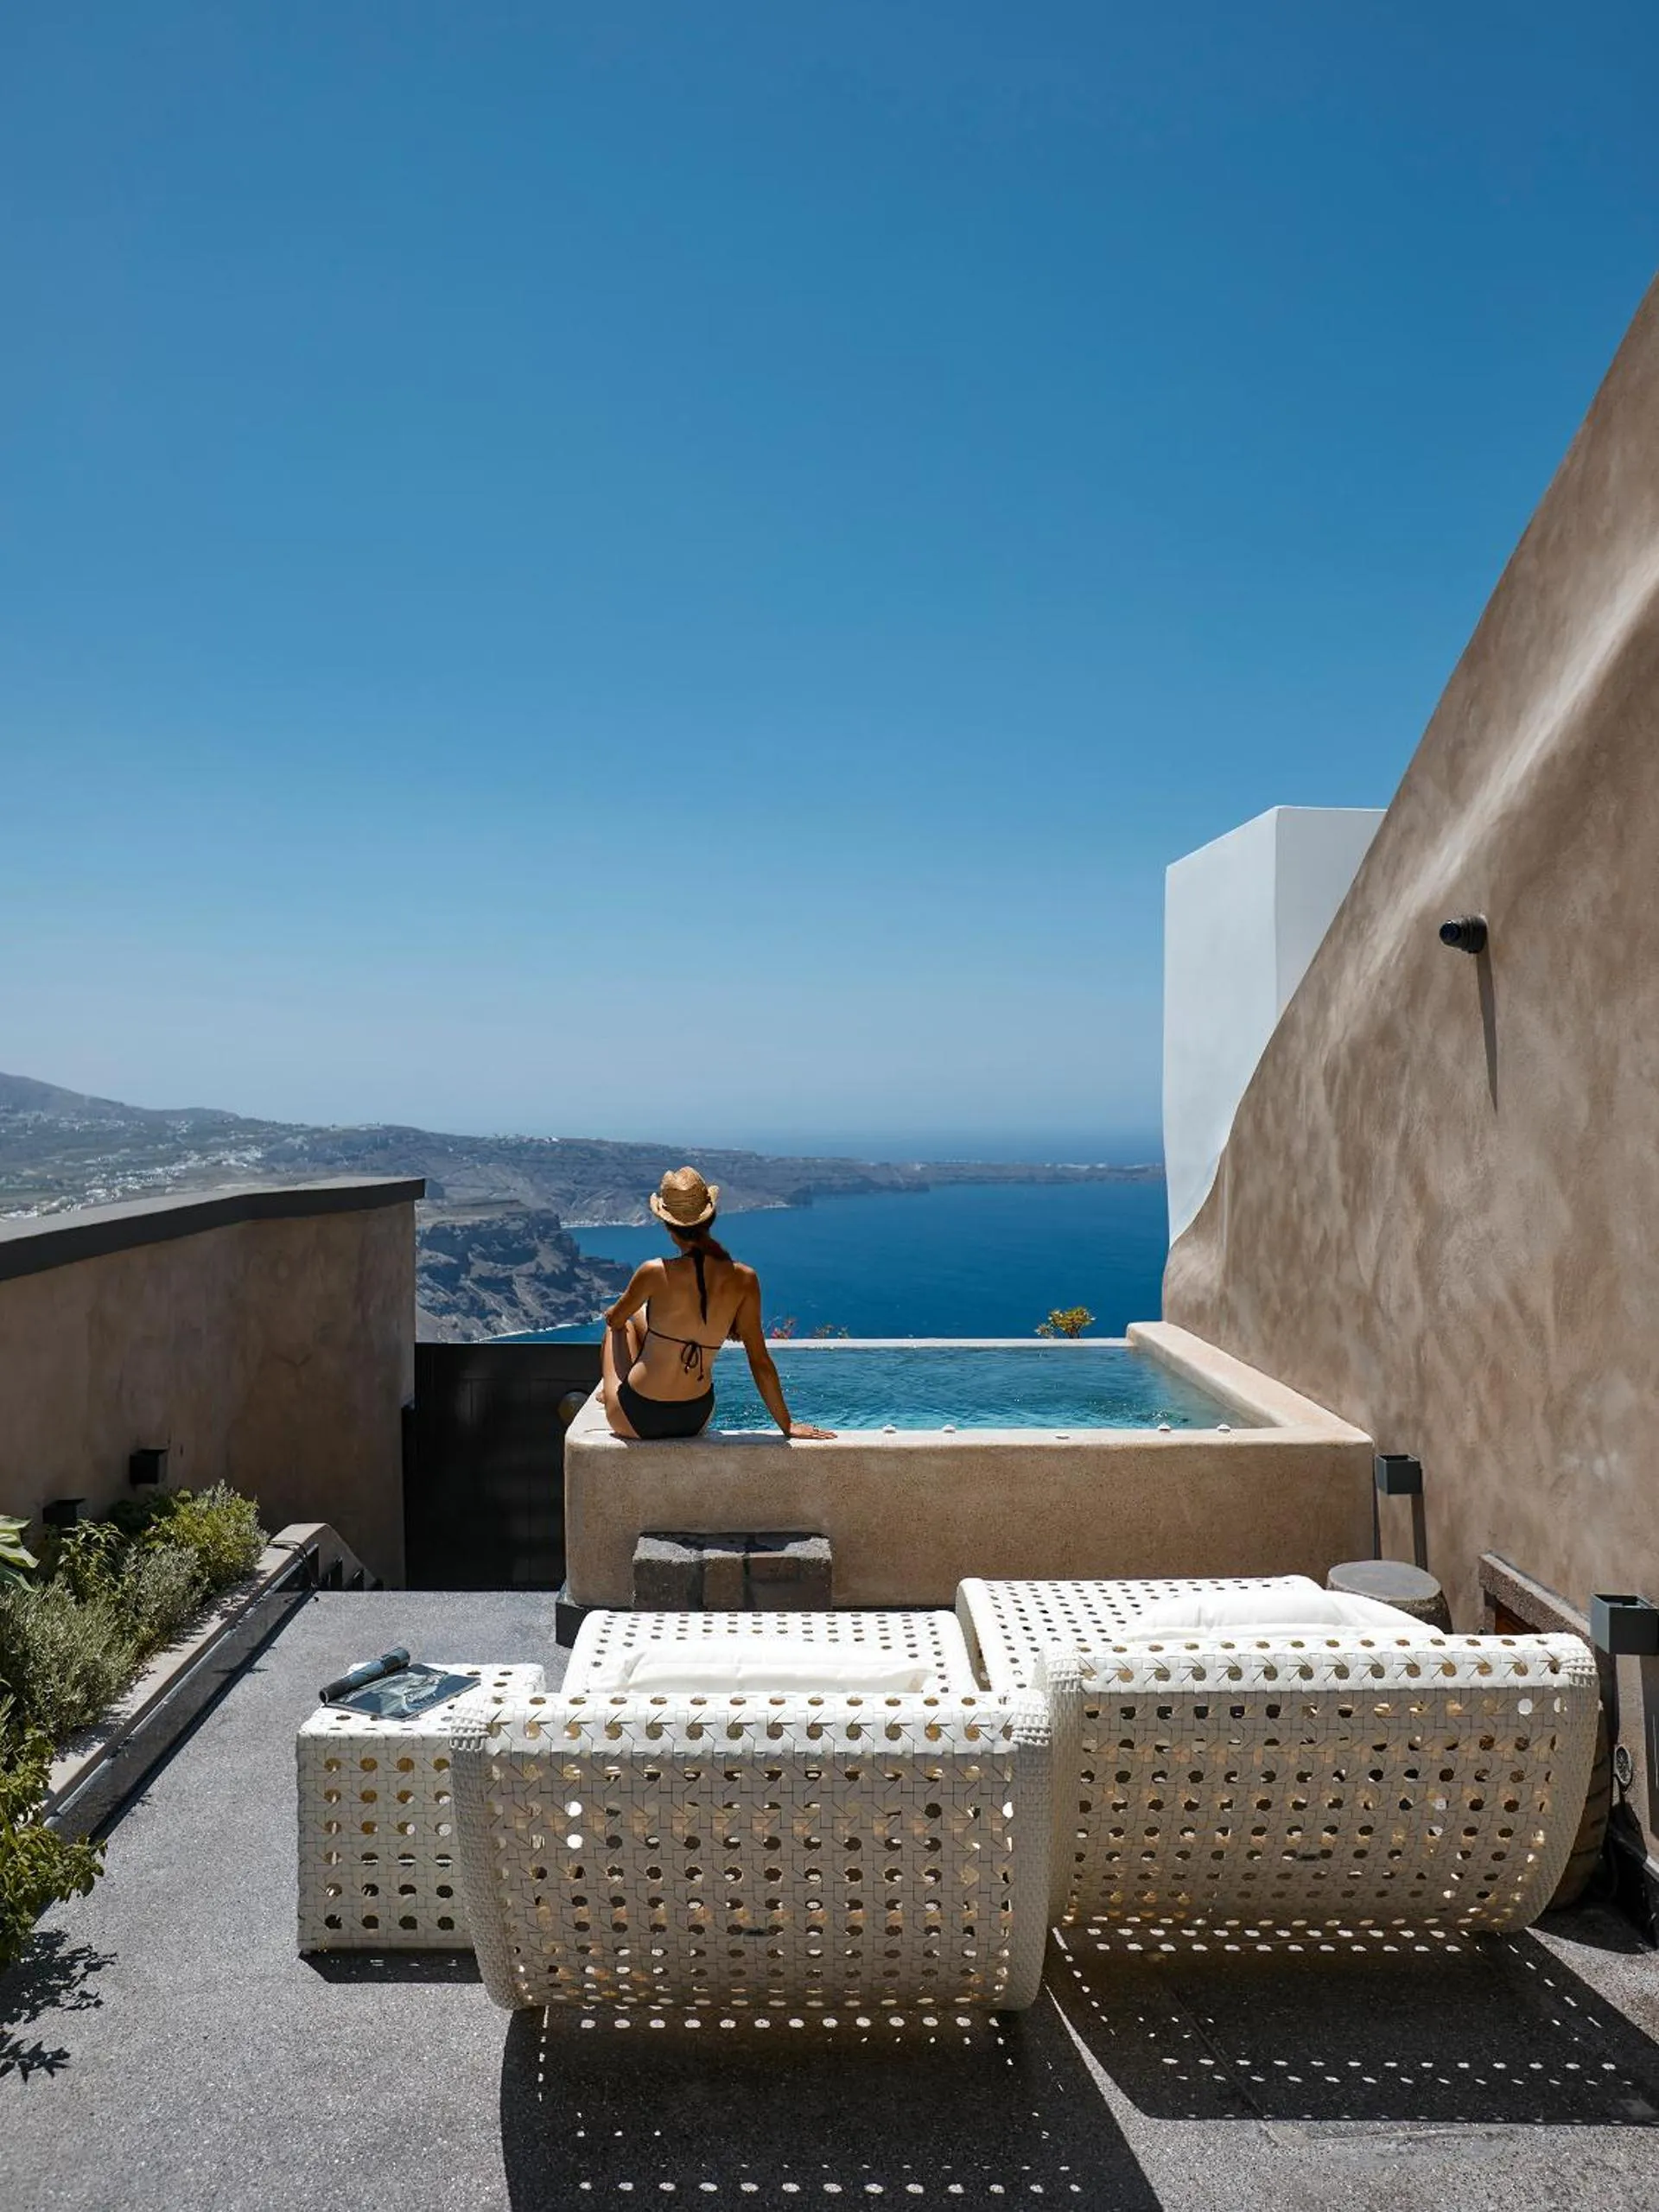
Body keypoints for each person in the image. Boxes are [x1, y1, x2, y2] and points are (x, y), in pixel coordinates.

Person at [601, 1166, 835, 1441]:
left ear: (668, 1227)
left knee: (621, 1327)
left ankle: (610, 1392)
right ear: (709, 1220)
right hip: (695, 1417)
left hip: (637, 1418)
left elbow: (615, 1319)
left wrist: (613, 1314)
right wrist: (787, 1425)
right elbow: (759, 1361)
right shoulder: (745, 1278)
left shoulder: (654, 1271)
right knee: (643, 1319)